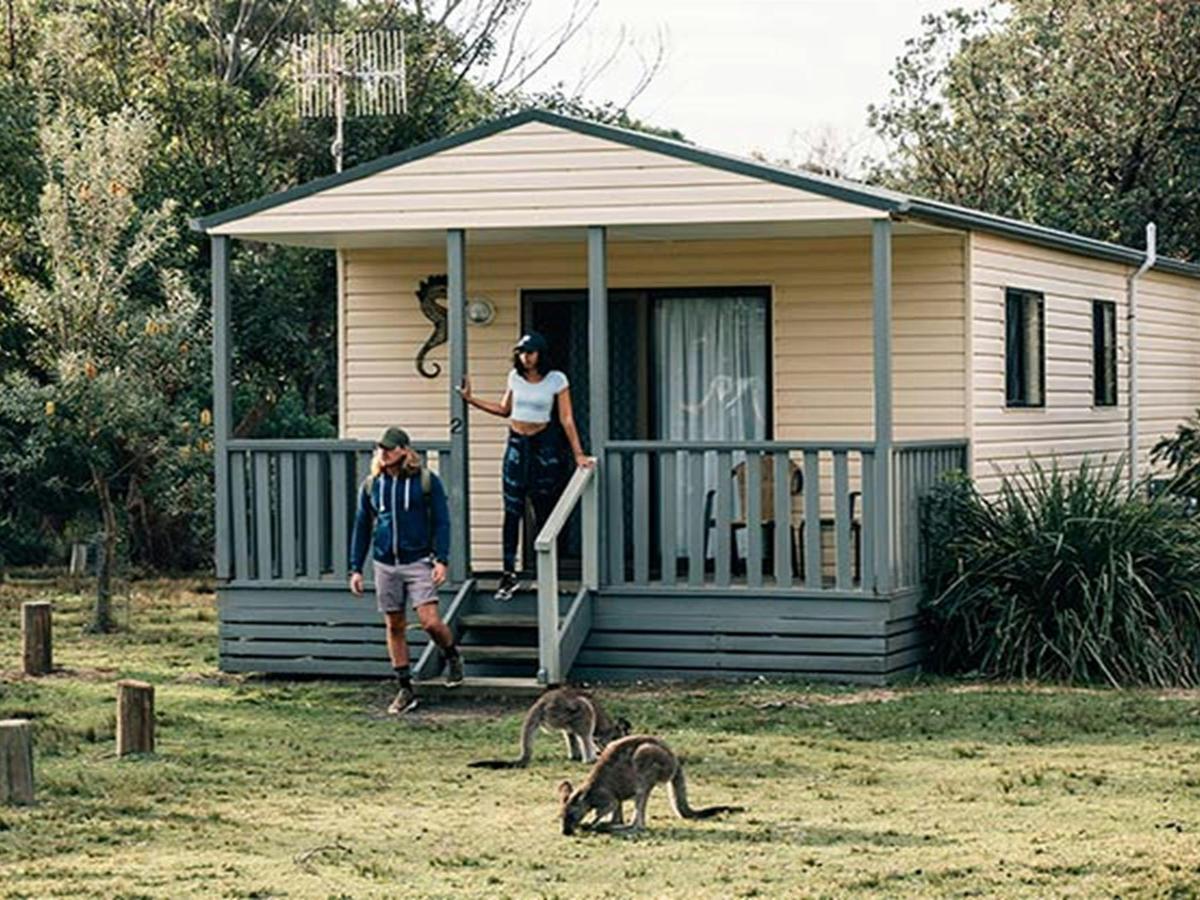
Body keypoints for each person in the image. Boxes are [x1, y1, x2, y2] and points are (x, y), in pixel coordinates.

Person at [457, 331, 593, 601]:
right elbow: (505, 409)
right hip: (517, 445)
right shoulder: (514, 377)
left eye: (530, 352)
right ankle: (508, 575)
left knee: (543, 511)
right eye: (521, 352)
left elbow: (566, 418)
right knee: (512, 510)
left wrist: (578, 453)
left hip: (544, 445)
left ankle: (547, 577)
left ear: (540, 353)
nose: (525, 357)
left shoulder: (556, 379)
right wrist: (472, 400)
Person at [349, 426, 463, 714]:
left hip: (419, 561)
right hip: (385, 563)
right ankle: (405, 688)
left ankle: (451, 655)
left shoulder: (426, 481)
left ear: (404, 450)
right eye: (381, 449)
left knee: (430, 622)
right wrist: (356, 568)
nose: (383, 453)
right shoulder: (372, 485)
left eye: (389, 448)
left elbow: (442, 522)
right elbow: (362, 527)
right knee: (394, 625)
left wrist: (442, 559)